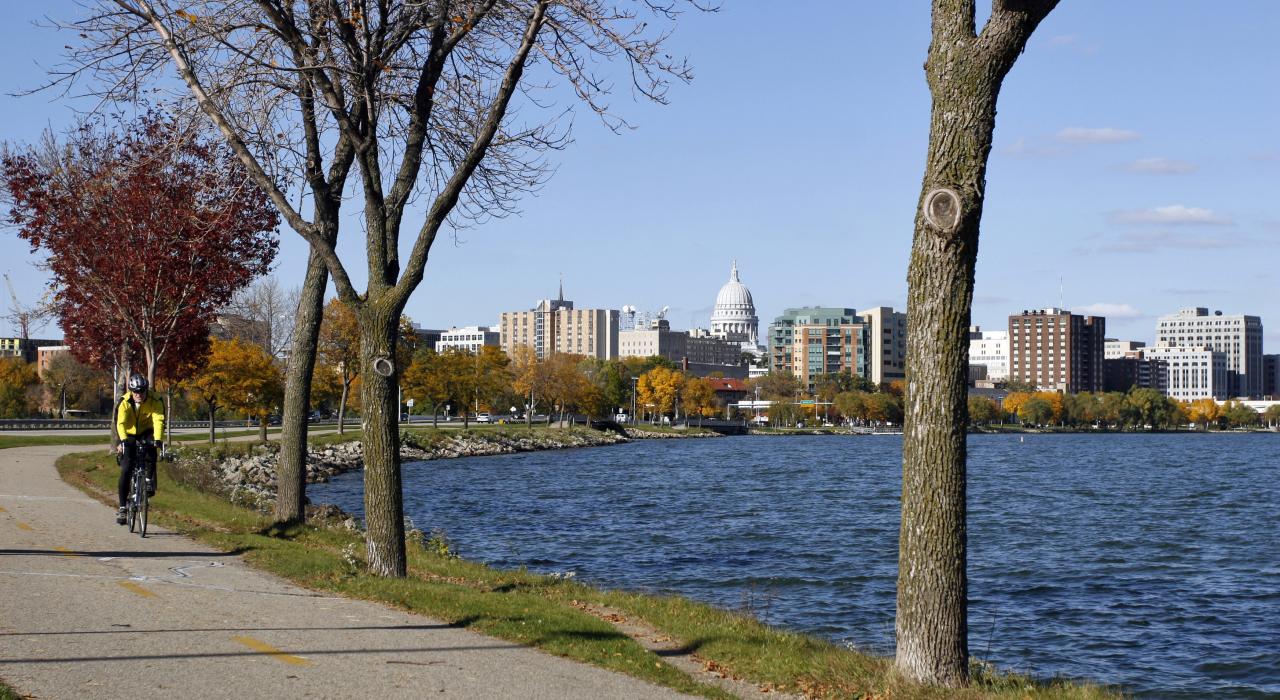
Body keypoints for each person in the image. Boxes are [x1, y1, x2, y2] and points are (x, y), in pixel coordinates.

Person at [115, 373, 165, 525]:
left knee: (151, 450)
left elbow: (158, 420)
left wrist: (158, 439)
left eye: (141, 391)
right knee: (126, 469)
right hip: (128, 434)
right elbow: (120, 423)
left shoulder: (155, 400)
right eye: (135, 392)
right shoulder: (124, 402)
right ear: (131, 391)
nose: (138, 395)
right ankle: (123, 507)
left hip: (146, 431)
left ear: (146, 390)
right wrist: (122, 441)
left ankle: (148, 480)